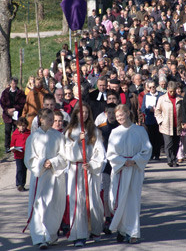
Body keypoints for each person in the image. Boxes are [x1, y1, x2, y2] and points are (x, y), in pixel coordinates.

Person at [107, 104, 152, 243]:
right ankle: (121, 229)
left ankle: (133, 232)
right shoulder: (115, 132)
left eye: (122, 114)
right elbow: (110, 153)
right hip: (120, 170)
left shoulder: (139, 130)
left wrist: (135, 160)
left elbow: (147, 149)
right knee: (118, 201)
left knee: (132, 201)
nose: (119, 117)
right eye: (117, 115)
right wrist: (122, 161)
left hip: (134, 170)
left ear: (128, 113)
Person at [24, 108, 67, 249]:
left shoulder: (58, 136)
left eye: (51, 118)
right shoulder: (33, 137)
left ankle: (50, 234)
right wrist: (42, 163)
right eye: (47, 118)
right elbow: (29, 158)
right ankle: (39, 237)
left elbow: (64, 155)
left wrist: (53, 162)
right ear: (40, 119)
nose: (50, 120)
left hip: (54, 176)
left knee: (52, 206)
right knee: (39, 205)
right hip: (40, 175)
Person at [64, 103, 105, 247]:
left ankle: (94, 229)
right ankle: (79, 234)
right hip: (76, 169)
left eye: (87, 112)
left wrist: (92, 164)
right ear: (75, 114)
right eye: (81, 113)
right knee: (78, 202)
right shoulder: (69, 131)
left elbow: (100, 152)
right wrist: (77, 142)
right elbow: (66, 153)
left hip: (90, 170)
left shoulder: (94, 130)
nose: (84, 115)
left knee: (93, 200)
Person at [97, 103, 119, 234]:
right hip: (105, 166)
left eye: (113, 113)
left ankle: (117, 215)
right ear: (105, 113)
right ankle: (107, 218)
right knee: (105, 193)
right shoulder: (100, 128)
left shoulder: (120, 128)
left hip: (117, 164)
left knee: (116, 192)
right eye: (109, 113)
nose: (111, 116)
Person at [155, 81, 183, 167]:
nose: (172, 93)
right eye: (170, 91)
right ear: (167, 90)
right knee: (168, 144)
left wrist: (183, 122)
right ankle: (171, 160)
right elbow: (157, 111)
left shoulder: (180, 99)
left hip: (177, 125)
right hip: (166, 125)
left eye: (174, 91)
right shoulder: (162, 99)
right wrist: (161, 121)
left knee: (176, 143)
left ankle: (174, 157)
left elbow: (183, 112)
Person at [0, 77, 26, 153]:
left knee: (16, 130)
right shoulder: (5, 92)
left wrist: (14, 109)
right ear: (10, 83)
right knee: (7, 130)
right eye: (12, 83)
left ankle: (16, 145)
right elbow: (2, 102)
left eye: (15, 83)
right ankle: (7, 147)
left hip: (17, 114)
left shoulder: (20, 93)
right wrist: (7, 110)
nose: (14, 85)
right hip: (7, 115)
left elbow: (22, 103)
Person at [141, 80, 163, 160]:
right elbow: (142, 108)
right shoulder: (146, 96)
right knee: (150, 138)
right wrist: (149, 110)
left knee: (158, 138)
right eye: (150, 87)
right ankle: (151, 154)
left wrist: (157, 109)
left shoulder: (161, 95)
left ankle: (157, 154)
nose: (152, 88)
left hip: (158, 119)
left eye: (153, 86)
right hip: (150, 120)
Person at [10, 117, 30, 191]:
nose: (22, 127)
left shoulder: (29, 133)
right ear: (17, 126)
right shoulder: (15, 134)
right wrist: (13, 149)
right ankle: (18, 184)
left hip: (26, 154)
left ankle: (22, 184)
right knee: (19, 169)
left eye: (24, 126)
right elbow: (12, 144)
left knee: (24, 170)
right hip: (18, 155)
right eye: (20, 125)